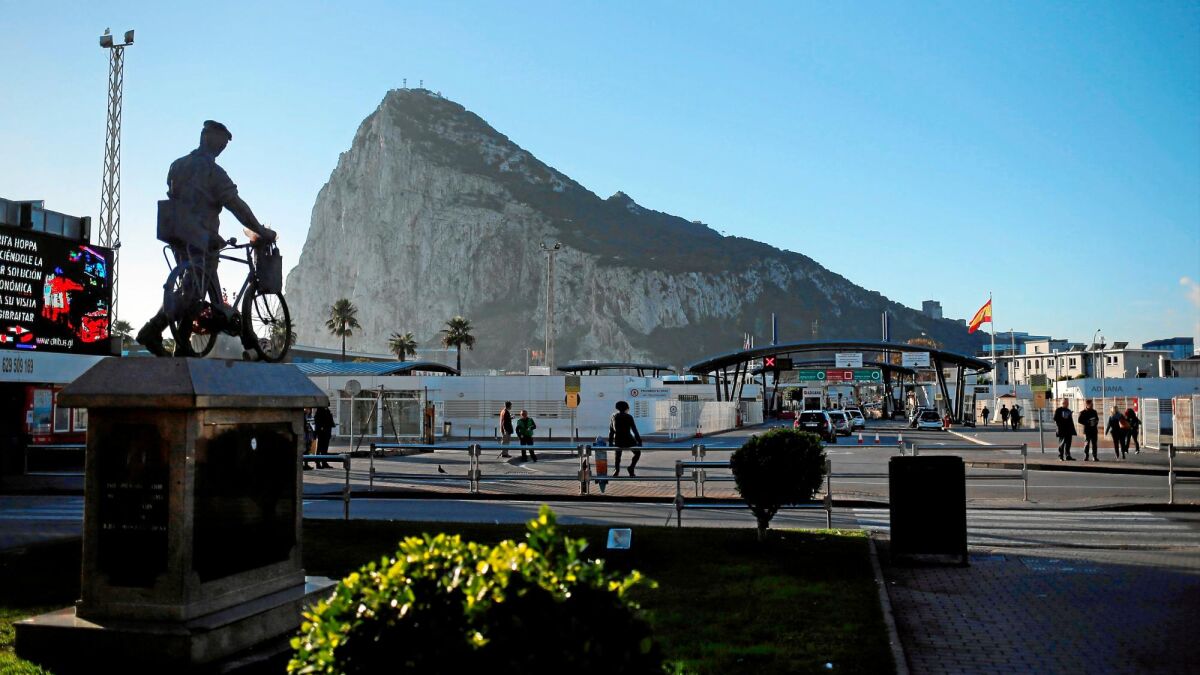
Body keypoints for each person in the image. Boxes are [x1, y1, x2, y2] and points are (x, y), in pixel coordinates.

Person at [137, 120, 276, 357]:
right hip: (202, 237)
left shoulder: (177, 165)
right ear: (208, 138)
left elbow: (175, 195)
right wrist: (261, 230)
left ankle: (178, 341)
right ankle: (158, 331)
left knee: (192, 288)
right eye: (221, 142)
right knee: (193, 291)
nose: (222, 147)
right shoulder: (214, 173)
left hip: (178, 235)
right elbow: (237, 206)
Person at [609, 400, 643, 477]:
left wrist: (610, 442)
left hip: (618, 439)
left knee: (617, 455)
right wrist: (639, 441)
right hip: (628, 439)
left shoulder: (613, 416)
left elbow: (611, 431)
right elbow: (634, 430)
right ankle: (631, 468)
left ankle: (616, 470)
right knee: (637, 453)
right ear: (626, 408)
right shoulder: (629, 417)